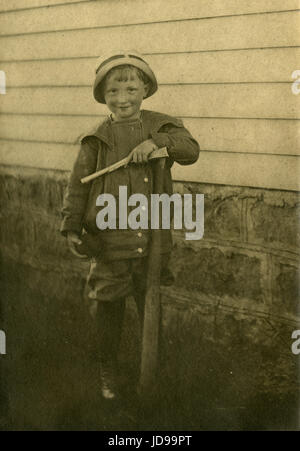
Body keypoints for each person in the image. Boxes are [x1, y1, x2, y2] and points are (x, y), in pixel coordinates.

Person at [60, 50, 200, 400]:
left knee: (149, 302)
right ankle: (109, 372)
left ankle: (150, 373)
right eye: (113, 92)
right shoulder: (96, 138)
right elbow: (78, 186)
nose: (123, 99)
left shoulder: (162, 125)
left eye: (131, 90)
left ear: (146, 89)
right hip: (109, 237)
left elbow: (191, 150)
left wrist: (158, 143)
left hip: (151, 237)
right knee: (109, 306)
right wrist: (71, 228)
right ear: (103, 96)